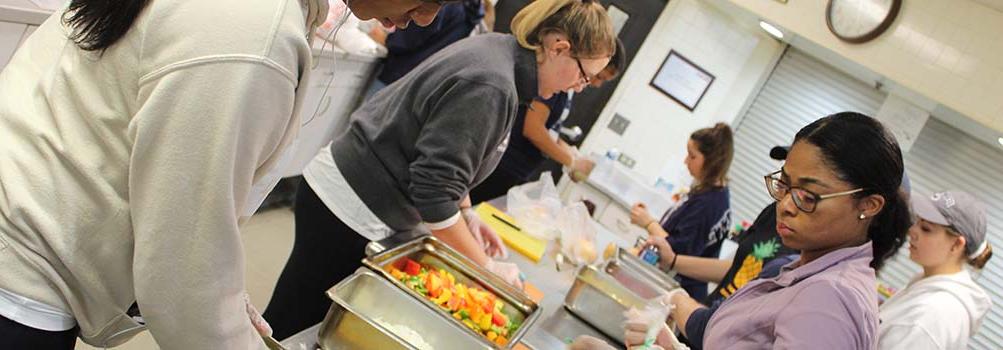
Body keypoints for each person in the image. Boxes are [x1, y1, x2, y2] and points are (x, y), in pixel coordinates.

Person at [0, 0, 450, 348]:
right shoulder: (254, 34)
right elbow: (181, 272)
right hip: (20, 278)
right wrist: (221, 314)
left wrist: (224, 297)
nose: (429, 18)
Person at [263, 0, 616, 339]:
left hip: (357, 197)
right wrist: (487, 270)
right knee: (292, 325)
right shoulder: (493, 83)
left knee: (302, 318)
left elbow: (444, 150)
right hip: (350, 204)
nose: (579, 87)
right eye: (586, 76)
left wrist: (467, 215)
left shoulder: (501, 58)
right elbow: (433, 190)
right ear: (557, 47)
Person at [643, 112, 911, 349]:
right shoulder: (803, 268)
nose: (784, 206)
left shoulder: (830, 300)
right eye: (783, 185)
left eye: (808, 196)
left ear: (868, 205)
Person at [469, 38, 626, 204]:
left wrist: (571, 153)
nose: (596, 84)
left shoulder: (568, 90)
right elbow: (533, 128)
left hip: (516, 169)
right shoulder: (558, 82)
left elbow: (550, 130)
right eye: (597, 76)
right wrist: (570, 161)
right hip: (504, 162)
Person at [629, 123, 734, 300]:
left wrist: (648, 222)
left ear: (712, 161)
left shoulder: (709, 204)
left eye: (692, 156)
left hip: (680, 290)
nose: (686, 161)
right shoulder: (711, 193)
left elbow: (674, 253)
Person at [877, 190, 993, 350]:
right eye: (917, 221)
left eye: (925, 228)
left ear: (956, 245)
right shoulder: (927, 288)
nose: (912, 231)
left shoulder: (929, 314)